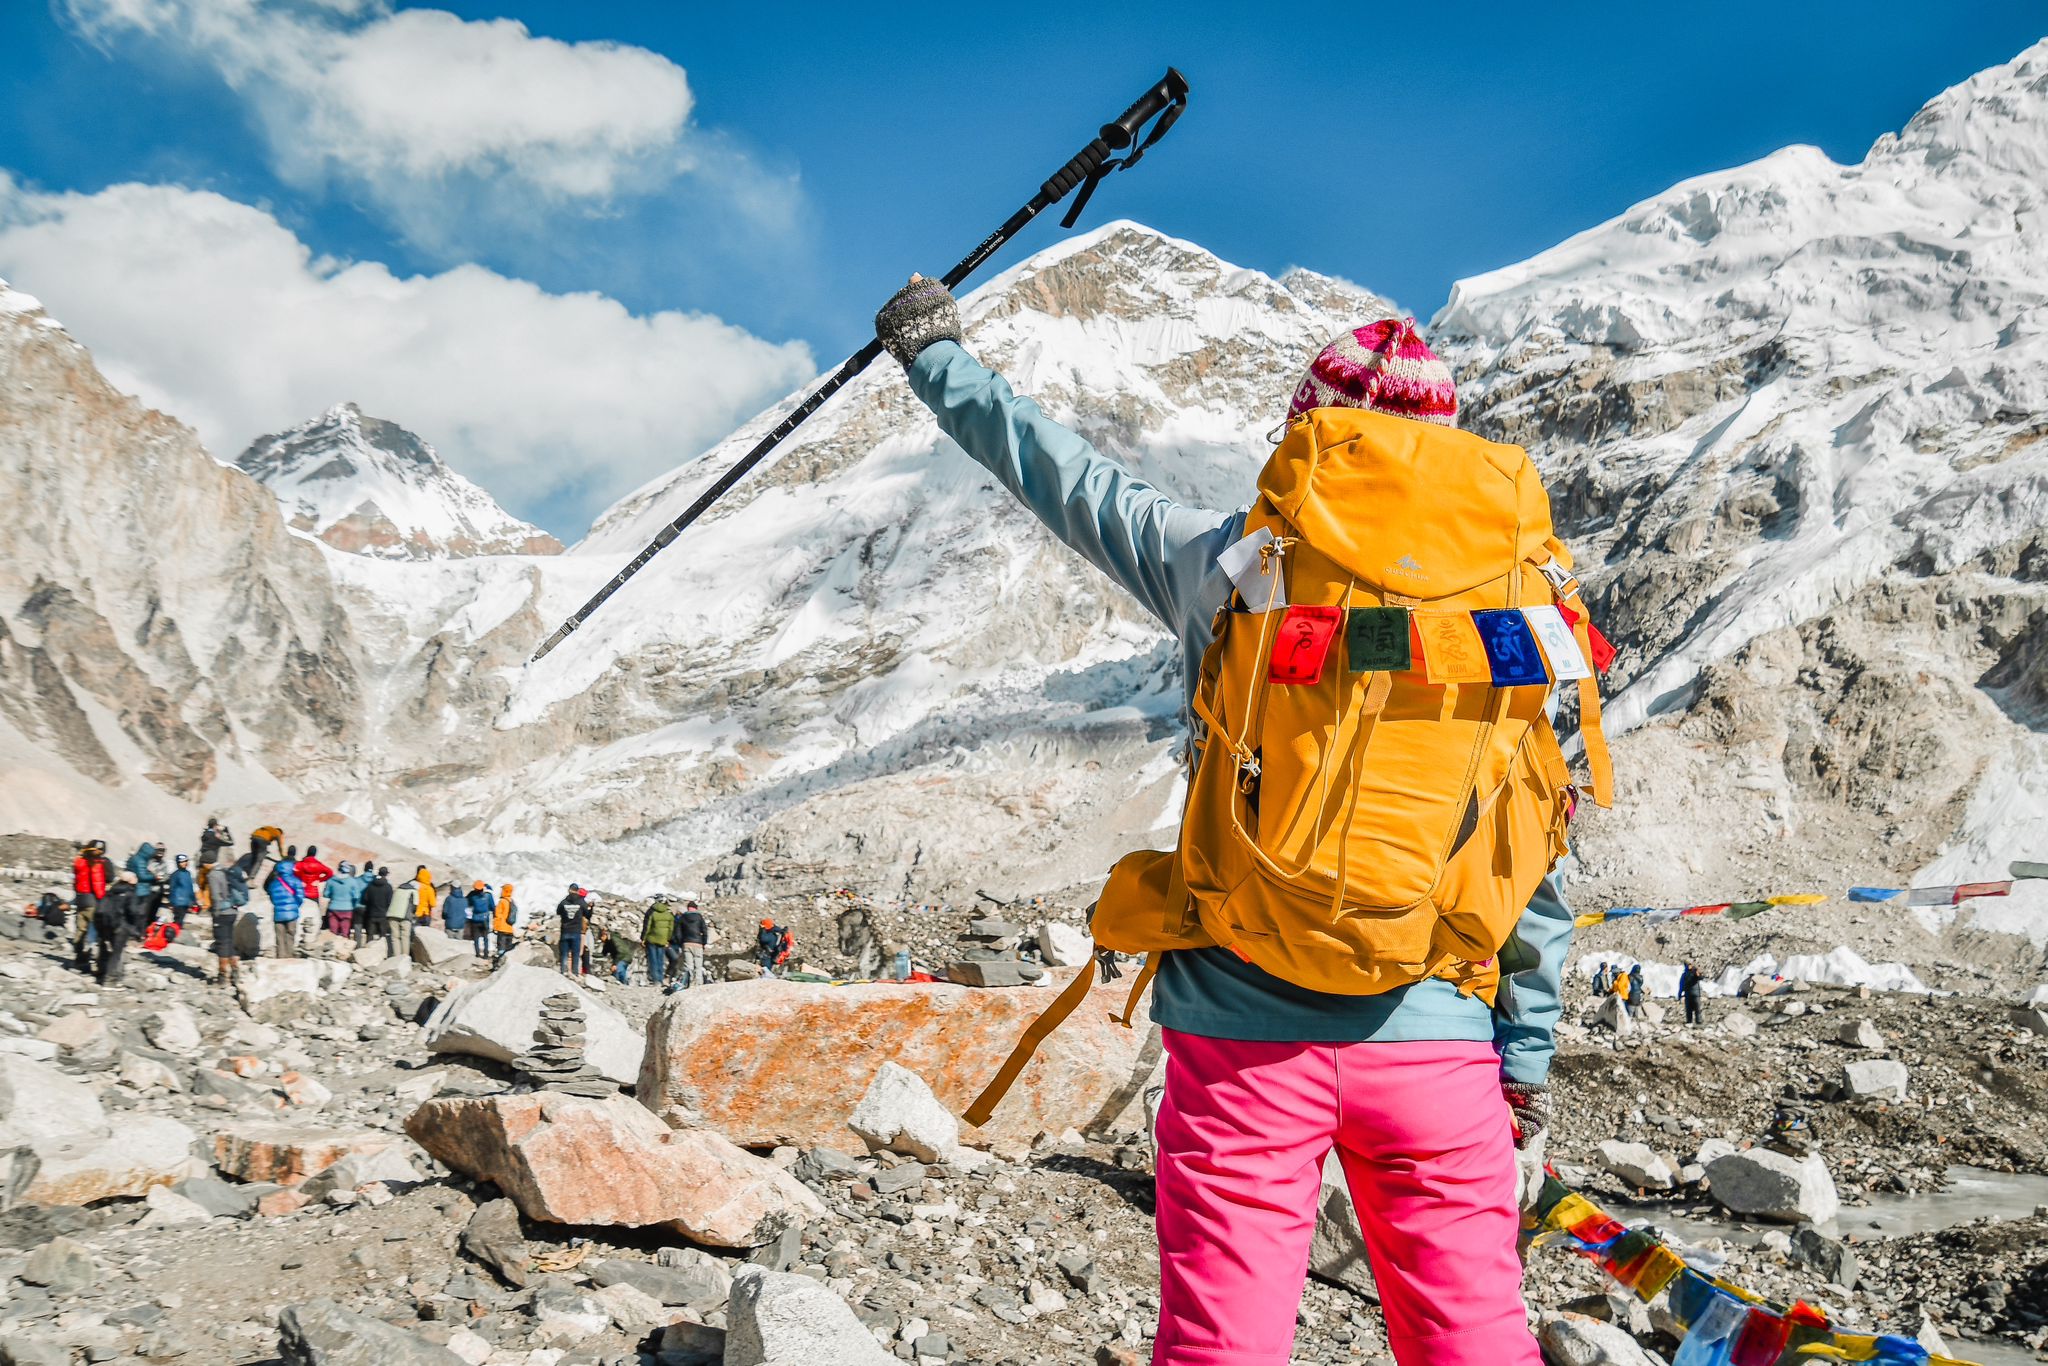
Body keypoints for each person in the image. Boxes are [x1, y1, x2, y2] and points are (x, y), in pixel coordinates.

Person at [875, 282, 1581, 1366]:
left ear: (1308, 442)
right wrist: (1519, 1058)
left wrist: (935, 359)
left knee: (1224, 1341)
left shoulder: (1232, 571)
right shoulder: (1519, 615)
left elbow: (1065, 479)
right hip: (1436, 1034)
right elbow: (1531, 842)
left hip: (1240, 1034)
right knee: (1473, 1340)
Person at [94, 870, 147, 985]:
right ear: (132, 881)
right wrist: (137, 930)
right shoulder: (130, 893)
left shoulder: (111, 891)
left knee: (104, 949)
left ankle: (101, 973)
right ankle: (110, 980)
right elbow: (133, 911)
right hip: (120, 925)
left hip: (104, 924)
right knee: (116, 953)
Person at [71, 839, 111, 971]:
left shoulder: (79, 862)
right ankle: (94, 960)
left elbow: (75, 882)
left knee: (80, 930)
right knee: (94, 933)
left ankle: (79, 959)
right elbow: (97, 885)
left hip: (80, 899)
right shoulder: (96, 865)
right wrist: (103, 900)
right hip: (92, 901)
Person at [206, 856, 241, 986]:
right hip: (232, 911)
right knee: (229, 941)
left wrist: (215, 912)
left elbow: (215, 896)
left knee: (221, 943)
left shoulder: (213, 875)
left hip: (222, 913)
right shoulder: (226, 872)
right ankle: (235, 971)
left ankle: (222, 975)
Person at [268, 858, 305, 958]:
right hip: (292, 914)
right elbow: (300, 897)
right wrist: (295, 905)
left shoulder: (274, 883)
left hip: (278, 914)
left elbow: (272, 898)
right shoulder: (296, 881)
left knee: (280, 937)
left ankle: (281, 956)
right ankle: (289, 956)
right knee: (290, 935)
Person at [367, 867, 405, 961]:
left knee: (370, 934)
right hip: (383, 914)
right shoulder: (388, 887)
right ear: (386, 874)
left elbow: (366, 899)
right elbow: (390, 901)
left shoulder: (370, 885)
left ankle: (368, 955)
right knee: (383, 936)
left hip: (371, 913)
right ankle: (384, 955)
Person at [673, 899, 709, 991]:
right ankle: (699, 984)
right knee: (698, 965)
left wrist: (681, 943)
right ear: (696, 908)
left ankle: (689, 984)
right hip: (698, 944)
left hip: (687, 943)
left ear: (688, 908)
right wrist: (704, 942)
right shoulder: (700, 917)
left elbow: (677, 933)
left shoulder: (682, 918)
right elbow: (704, 931)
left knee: (688, 966)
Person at [325, 862, 366, 941]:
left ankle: (331, 950)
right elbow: (356, 896)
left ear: (339, 869)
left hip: (333, 908)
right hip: (347, 909)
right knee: (345, 933)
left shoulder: (331, 880)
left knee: (333, 932)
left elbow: (326, 894)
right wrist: (352, 905)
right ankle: (342, 951)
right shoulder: (352, 881)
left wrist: (334, 895)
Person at [641, 896, 674, 986]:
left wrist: (643, 938)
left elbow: (647, 926)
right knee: (660, 960)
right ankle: (660, 978)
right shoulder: (668, 913)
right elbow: (671, 928)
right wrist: (668, 939)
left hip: (651, 938)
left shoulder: (651, 912)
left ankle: (656, 980)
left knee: (653, 960)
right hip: (663, 940)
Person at [166, 854, 198, 930]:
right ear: (177, 863)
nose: (184, 863)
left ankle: (176, 933)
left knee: (181, 920)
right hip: (178, 901)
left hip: (186, 902)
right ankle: (173, 934)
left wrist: (194, 901)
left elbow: (190, 888)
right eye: (182, 862)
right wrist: (171, 903)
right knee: (178, 920)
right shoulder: (175, 875)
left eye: (185, 861)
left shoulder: (188, 873)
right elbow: (172, 888)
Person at [465, 880, 494, 956]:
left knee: (476, 938)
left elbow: (467, 903)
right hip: (485, 919)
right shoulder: (488, 895)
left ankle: (477, 954)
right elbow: (492, 907)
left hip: (475, 919)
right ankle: (486, 954)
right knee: (485, 938)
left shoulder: (472, 895)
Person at [492, 884, 521, 959]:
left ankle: (499, 962)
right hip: (510, 928)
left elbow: (497, 915)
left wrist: (495, 927)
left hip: (502, 928)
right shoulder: (512, 901)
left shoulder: (502, 901)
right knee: (508, 948)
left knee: (501, 947)